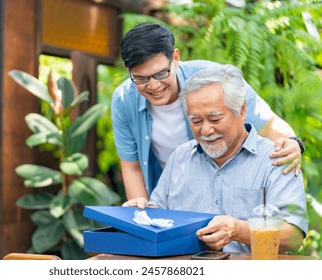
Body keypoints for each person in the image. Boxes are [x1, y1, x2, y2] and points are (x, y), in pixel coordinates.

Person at [123, 64, 308, 253]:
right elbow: (158, 213)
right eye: (195, 121)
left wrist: (239, 230)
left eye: (215, 119)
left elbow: (293, 236)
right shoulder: (180, 156)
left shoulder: (275, 158)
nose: (206, 130)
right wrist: (141, 213)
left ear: (241, 109)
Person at [111, 23, 305, 200]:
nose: (153, 85)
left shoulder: (216, 81)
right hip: (171, 199)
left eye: (161, 73)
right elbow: (132, 167)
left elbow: (270, 125)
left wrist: (292, 143)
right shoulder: (123, 100)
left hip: (229, 194)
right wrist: (142, 220)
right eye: (141, 78)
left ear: (175, 58)